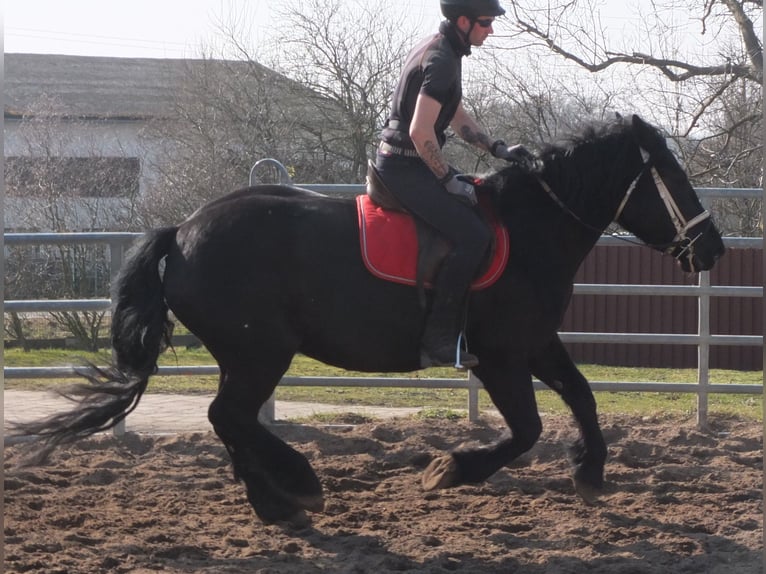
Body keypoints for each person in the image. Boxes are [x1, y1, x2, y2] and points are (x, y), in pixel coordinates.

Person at [375, 0, 532, 369]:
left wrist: (496, 147)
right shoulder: (443, 60)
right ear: (463, 21)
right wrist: (446, 178)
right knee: (473, 235)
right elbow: (419, 131)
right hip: (404, 169)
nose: (490, 30)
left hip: (409, 163)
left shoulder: (442, 49)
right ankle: (438, 340)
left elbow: (455, 114)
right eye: (485, 23)